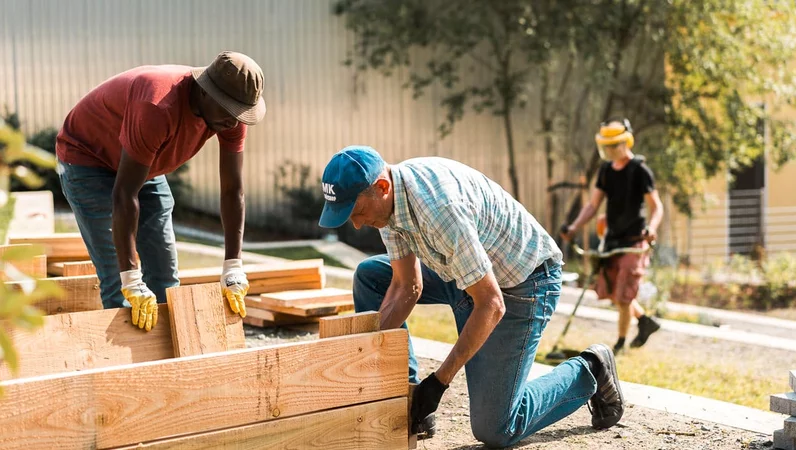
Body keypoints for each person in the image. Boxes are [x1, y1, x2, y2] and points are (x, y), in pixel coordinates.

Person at [317, 146, 625, 448]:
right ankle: (406, 399)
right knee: (371, 276)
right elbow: (405, 286)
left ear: (382, 187)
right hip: (465, 272)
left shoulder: (438, 210)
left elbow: (491, 304)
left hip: (522, 283)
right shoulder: (388, 205)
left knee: (497, 428)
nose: (357, 223)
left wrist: (438, 382)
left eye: (357, 212)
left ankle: (590, 368)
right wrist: (359, 354)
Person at [56, 51, 266, 330]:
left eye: (241, 114)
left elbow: (232, 190)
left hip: (143, 162)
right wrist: (131, 277)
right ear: (205, 92)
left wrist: (233, 266)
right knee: (120, 284)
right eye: (229, 110)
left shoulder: (231, 117)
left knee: (166, 280)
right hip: (89, 159)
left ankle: (168, 366)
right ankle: (127, 371)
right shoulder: (158, 105)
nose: (234, 121)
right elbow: (124, 195)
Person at [561, 118, 664, 354]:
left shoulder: (640, 171)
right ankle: (645, 322)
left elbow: (656, 206)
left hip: (634, 241)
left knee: (624, 297)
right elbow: (593, 205)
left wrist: (653, 227)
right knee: (612, 293)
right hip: (613, 239)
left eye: (614, 145)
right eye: (606, 146)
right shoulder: (606, 171)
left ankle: (619, 345)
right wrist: (575, 226)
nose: (609, 150)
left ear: (625, 142)